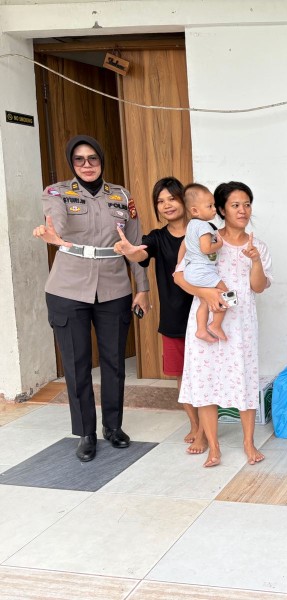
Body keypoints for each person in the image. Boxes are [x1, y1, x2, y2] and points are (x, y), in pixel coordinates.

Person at [33, 134, 149, 462]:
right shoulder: (56, 192)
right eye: (80, 159)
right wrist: (51, 233)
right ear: (72, 162)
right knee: (77, 364)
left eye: (93, 159)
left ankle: (113, 426)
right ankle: (86, 432)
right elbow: (58, 220)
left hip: (114, 287)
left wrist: (142, 288)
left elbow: (136, 244)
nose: (87, 165)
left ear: (101, 160)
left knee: (114, 363)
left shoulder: (122, 195)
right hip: (68, 289)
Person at [174, 181, 273, 468]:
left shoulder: (258, 246)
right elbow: (179, 275)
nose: (243, 210)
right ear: (220, 209)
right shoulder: (205, 238)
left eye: (247, 204)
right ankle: (213, 447)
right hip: (205, 322)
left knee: (243, 378)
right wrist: (205, 293)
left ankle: (248, 442)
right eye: (235, 205)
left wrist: (255, 261)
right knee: (206, 381)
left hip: (240, 324)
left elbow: (259, 286)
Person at [112, 177, 206, 454]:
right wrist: (130, 251)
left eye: (171, 198)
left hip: (205, 315)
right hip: (174, 319)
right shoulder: (156, 237)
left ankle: (206, 427)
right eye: (160, 201)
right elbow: (141, 255)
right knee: (181, 375)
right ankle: (195, 425)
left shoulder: (203, 232)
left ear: (184, 201)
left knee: (204, 373)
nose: (166, 205)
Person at [181, 184, 230, 343]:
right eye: (209, 206)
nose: (214, 209)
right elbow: (206, 248)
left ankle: (201, 330)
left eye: (214, 205)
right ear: (195, 211)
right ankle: (216, 324)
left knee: (204, 301)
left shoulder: (191, 225)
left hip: (192, 271)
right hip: (202, 271)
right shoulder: (203, 226)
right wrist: (219, 244)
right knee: (225, 292)